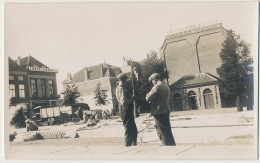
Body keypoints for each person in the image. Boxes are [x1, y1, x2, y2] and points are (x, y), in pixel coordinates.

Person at [146, 73, 176, 146]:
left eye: (152, 81)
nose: (152, 83)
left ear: (154, 79)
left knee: (161, 132)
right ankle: (172, 146)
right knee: (168, 131)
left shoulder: (157, 86)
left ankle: (166, 147)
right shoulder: (166, 86)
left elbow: (148, 97)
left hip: (158, 111)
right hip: (166, 110)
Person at [116, 73, 138, 146]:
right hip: (126, 111)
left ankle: (132, 145)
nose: (125, 82)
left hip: (126, 111)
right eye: (124, 81)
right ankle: (128, 146)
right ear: (121, 81)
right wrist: (132, 99)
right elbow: (124, 102)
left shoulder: (120, 88)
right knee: (129, 130)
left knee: (133, 130)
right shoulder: (122, 89)